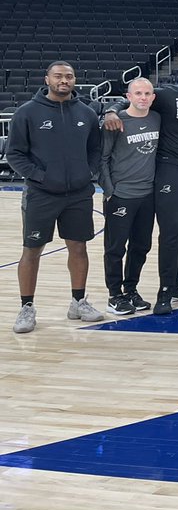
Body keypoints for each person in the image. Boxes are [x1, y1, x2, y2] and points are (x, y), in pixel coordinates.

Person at [103, 53, 178, 315]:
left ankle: (176, 283)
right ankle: (164, 292)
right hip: (171, 171)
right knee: (172, 233)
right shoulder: (165, 95)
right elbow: (132, 97)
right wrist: (111, 110)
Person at [9, 62, 103, 334]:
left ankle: (78, 302)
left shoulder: (85, 112)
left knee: (79, 248)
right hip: (41, 194)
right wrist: (40, 176)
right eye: (59, 76)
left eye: (69, 76)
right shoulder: (27, 112)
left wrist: (89, 172)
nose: (64, 80)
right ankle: (26, 308)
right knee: (32, 250)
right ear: (47, 79)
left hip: (78, 194)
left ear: (75, 80)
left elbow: (95, 150)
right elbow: (15, 154)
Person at [99, 77, 159, 315]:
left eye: (147, 94)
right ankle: (114, 295)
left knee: (141, 246)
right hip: (121, 196)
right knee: (115, 248)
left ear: (153, 97)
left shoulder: (157, 119)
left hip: (148, 196)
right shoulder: (115, 122)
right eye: (138, 93)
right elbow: (102, 159)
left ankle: (131, 290)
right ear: (128, 97)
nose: (143, 98)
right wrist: (109, 191)